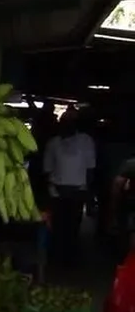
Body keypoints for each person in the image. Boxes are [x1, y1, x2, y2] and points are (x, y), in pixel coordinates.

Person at [43, 109, 95, 264]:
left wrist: (88, 194)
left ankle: (71, 259)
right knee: (57, 228)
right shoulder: (53, 143)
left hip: (77, 192)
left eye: (71, 123)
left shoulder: (85, 141)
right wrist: (52, 190)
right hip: (58, 192)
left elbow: (90, 168)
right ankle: (57, 258)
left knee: (73, 228)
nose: (67, 126)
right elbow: (47, 169)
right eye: (65, 123)